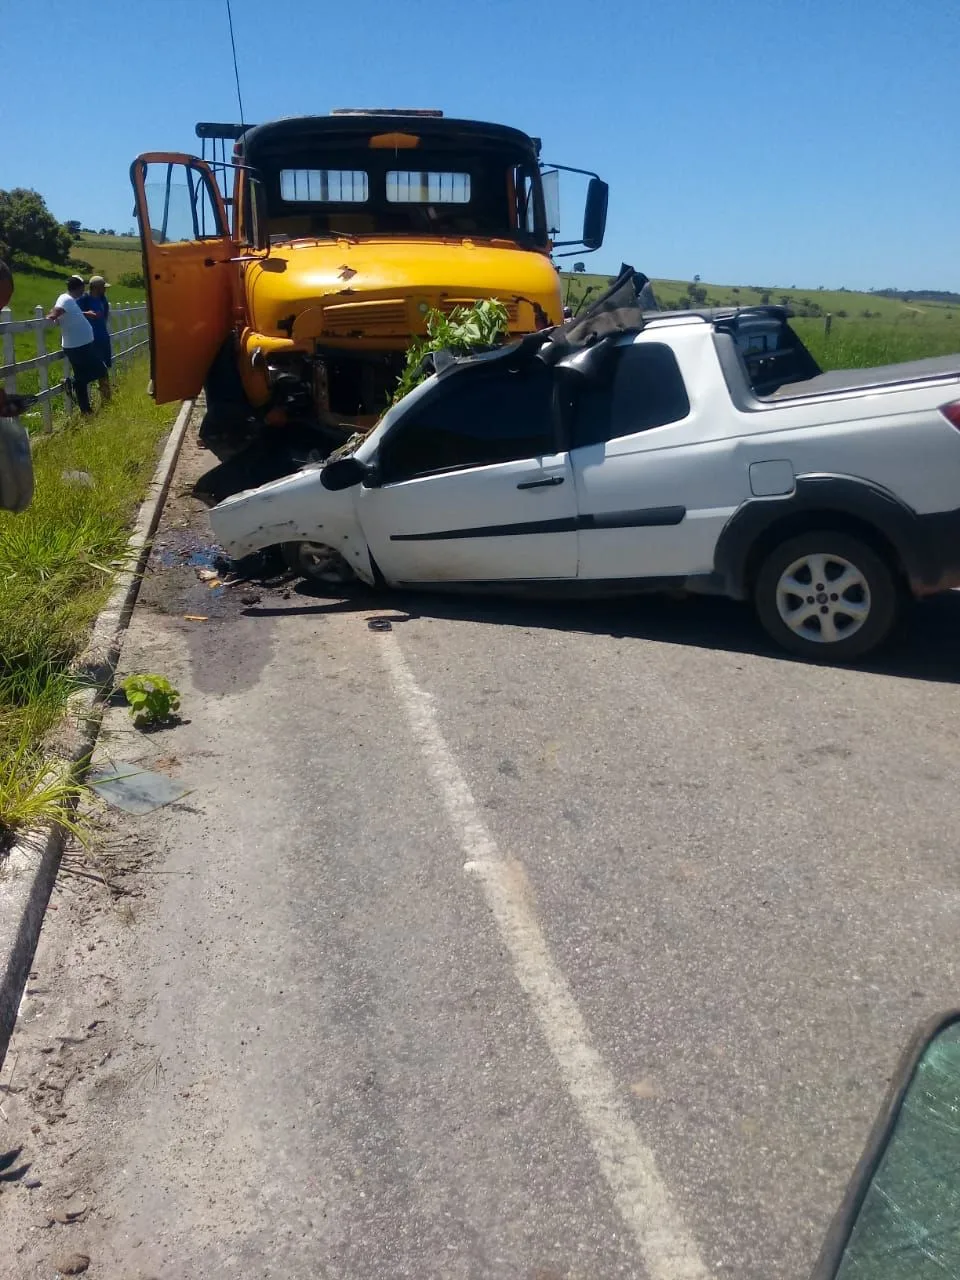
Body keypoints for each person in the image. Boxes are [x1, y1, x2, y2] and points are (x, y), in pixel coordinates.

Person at [47, 275, 106, 416]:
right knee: (100, 371)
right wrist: (52, 317)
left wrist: (85, 313)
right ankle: (72, 383)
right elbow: (57, 311)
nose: (83, 291)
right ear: (79, 287)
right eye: (82, 288)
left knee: (83, 376)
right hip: (78, 346)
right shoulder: (65, 299)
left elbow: (71, 313)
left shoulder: (70, 301)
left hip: (78, 345)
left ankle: (85, 411)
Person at [78, 275, 111, 402]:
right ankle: (98, 398)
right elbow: (74, 312)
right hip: (90, 339)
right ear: (96, 288)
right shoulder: (84, 300)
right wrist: (87, 314)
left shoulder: (103, 300)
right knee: (95, 368)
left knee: (104, 367)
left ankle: (106, 397)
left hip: (102, 336)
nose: (105, 290)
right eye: (103, 287)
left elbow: (105, 316)